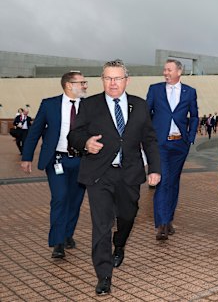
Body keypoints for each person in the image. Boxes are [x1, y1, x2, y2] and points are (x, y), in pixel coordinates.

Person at [68, 59, 161, 296]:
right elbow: (74, 135)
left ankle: (119, 245)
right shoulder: (89, 105)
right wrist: (85, 143)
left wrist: (155, 169)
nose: (112, 83)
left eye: (117, 78)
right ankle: (104, 275)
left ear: (126, 81)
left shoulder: (139, 106)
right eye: (108, 78)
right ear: (102, 80)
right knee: (101, 225)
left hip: (129, 173)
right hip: (99, 174)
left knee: (128, 216)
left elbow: (149, 139)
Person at [20, 71, 88, 260]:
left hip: (81, 161)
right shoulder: (49, 105)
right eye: (81, 82)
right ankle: (57, 242)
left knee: (75, 200)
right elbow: (35, 132)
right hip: (57, 160)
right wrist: (27, 157)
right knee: (60, 197)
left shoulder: (90, 106)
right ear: (68, 85)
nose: (85, 86)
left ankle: (67, 235)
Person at [146, 59, 198, 241]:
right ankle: (161, 224)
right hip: (160, 145)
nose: (165, 72)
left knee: (173, 182)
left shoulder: (189, 92)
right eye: (164, 70)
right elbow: (147, 114)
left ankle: (168, 220)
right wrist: (149, 137)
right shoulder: (155, 89)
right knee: (162, 180)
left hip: (179, 145)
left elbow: (194, 116)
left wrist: (190, 138)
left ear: (179, 72)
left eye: (169, 70)